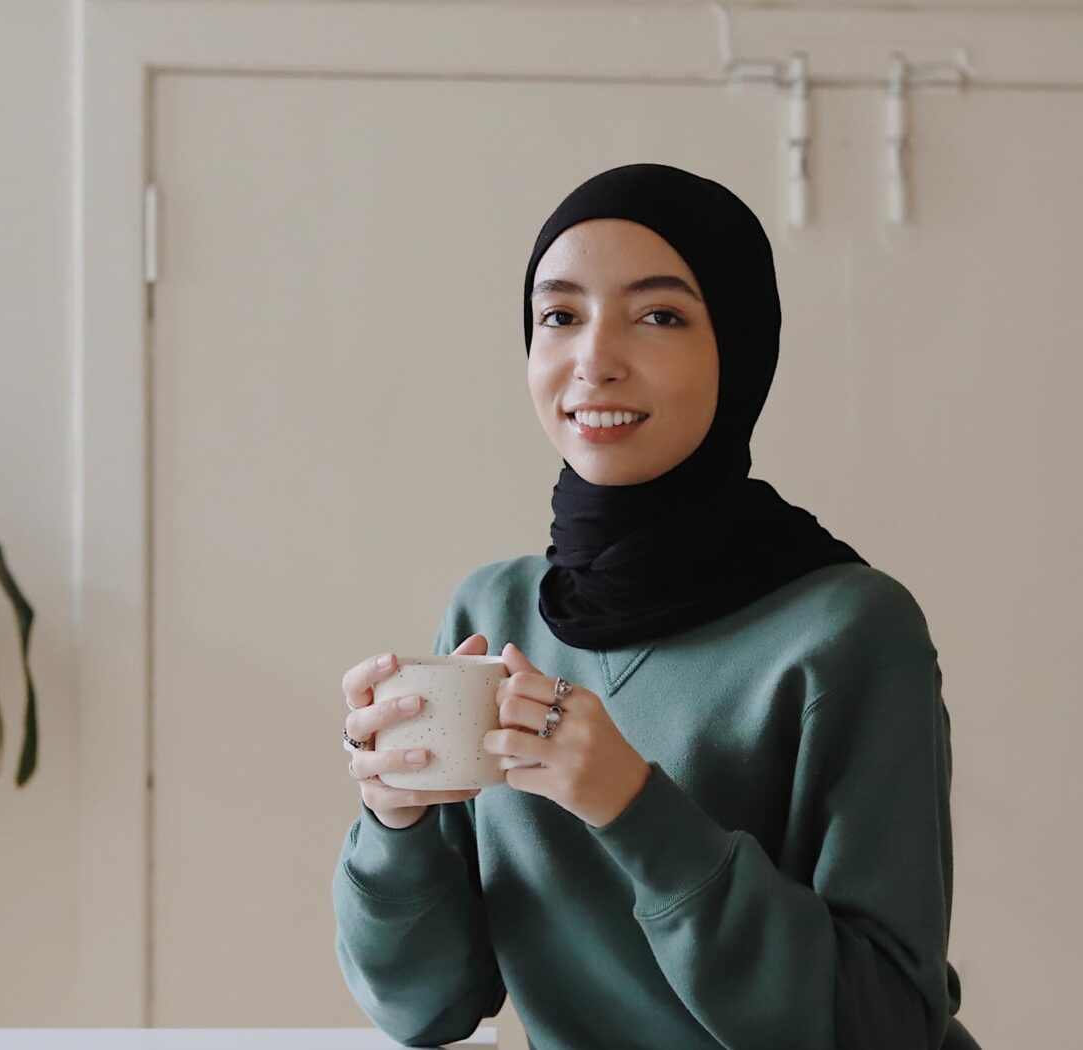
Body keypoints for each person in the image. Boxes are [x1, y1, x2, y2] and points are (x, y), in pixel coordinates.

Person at [332, 163, 982, 1050]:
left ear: (740, 348)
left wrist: (633, 807)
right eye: (559, 315)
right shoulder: (494, 609)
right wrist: (394, 823)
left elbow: (886, 1024)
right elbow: (427, 1011)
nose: (594, 359)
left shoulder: (851, 630)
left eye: (660, 316)